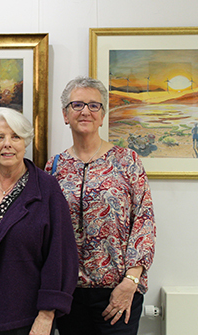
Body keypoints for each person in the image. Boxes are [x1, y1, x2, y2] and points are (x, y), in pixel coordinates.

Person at [46, 76, 156, 335]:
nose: (85, 111)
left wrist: (131, 281)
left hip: (118, 291)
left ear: (103, 115)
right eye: (77, 105)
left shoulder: (127, 161)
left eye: (94, 105)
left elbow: (144, 221)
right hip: (69, 294)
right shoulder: (54, 167)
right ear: (65, 114)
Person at [0, 107, 78, 335]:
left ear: (25, 142)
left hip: (28, 318)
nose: (7, 144)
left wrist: (46, 315)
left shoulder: (47, 189)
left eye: (16, 136)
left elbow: (60, 255)